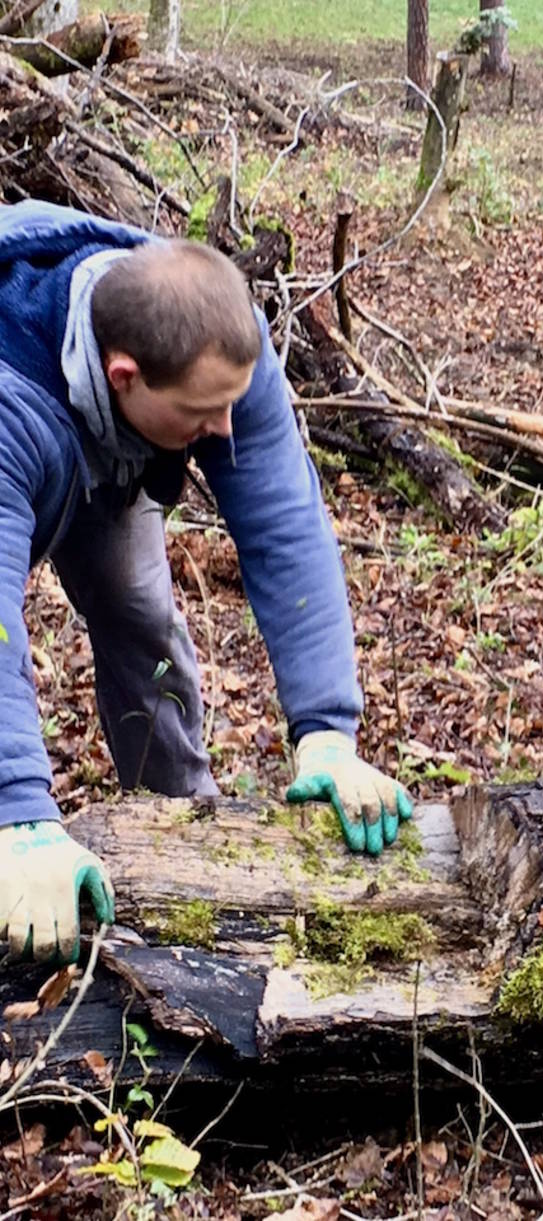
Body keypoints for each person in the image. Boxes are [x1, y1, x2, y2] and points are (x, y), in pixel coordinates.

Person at [0, 199, 412, 966]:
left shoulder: (208, 340)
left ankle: (181, 838)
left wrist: (326, 732)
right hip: (25, 431)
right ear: (124, 375)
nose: (225, 428)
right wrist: (17, 812)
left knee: (141, 615)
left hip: (104, 457)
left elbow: (285, 526)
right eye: (202, 412)